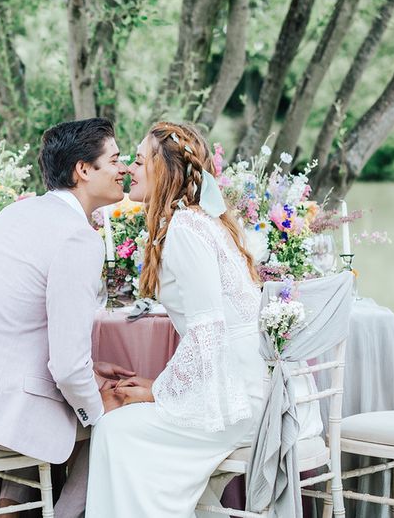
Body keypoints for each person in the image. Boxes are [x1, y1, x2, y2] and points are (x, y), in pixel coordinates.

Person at [0, 117, 133, 509]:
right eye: (116, 159)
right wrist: (96, 408)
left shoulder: (16, 214)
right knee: (116, 422)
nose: (125, 169)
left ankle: (10, 512)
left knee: (73, 399)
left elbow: (18, 328)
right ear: (83, 170)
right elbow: (68, 368)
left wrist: (89, 375)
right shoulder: (77, 237)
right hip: (0, 416)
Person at [86, 121, 267, 517]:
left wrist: (159, 392)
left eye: (136, 161)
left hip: (238, 402)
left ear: (164, 170)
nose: (127, 170)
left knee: (115, 431)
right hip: (243, 388)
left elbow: (208, 331)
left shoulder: (184, 228)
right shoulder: (199, 220)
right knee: (126, 427)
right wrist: (159, 386)